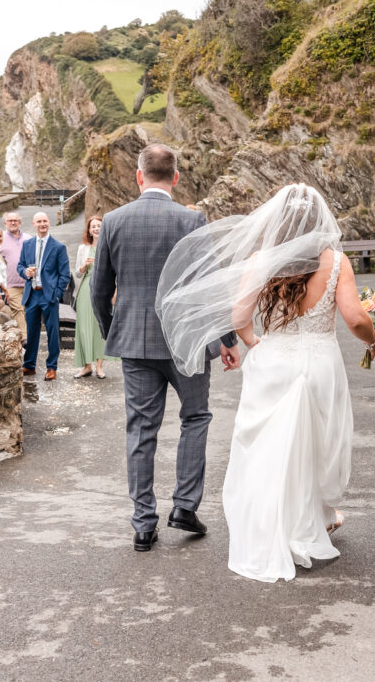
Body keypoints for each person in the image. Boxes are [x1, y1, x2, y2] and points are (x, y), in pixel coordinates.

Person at [157, 183, 375, 582]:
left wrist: (254, 342)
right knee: (314, 445)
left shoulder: (263, 260)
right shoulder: (337, 262)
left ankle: (270, 526)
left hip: (273, 360)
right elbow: (356, 318)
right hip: (318, 360)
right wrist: (373, 338)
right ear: (319, 220)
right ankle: (314, 520)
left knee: (265, 448)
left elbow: (239, 314)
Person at [91, 143, 240, 552]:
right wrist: (226, 339)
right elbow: (211, 286)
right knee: (196, 418)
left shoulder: (114, 221)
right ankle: (185, 506)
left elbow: (99, 290)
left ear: (139, 176)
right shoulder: (192, 219)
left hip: (136, 343)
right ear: (175, 177)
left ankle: (143, 524)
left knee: (141, 431)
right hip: (186, 341)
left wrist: (114, 333)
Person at [17, 212, 70, 381]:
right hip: (32, 294)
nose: (42, 224)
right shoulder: (27, 244)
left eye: (45, 221)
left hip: (49, 296)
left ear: (49, 223)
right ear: (33, 223)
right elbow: (20, 266)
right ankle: (29, 365)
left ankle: (52, 367)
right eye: (39, 221)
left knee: (53, 332)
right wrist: (25, 272)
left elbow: (65, 275)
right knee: (32, 332)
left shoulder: (58, 247)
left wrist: (56, 295)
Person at [72, 215, 109, 379]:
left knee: (100, 328)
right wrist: (84, 266)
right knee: (85, 328)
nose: (96, 229)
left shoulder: (109, 246)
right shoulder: (82, 249)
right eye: (93, 226)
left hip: (103, 290)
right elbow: (77, 275)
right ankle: (87, 366)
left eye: (99, 226)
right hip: (86, 289)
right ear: (89, 230)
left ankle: (99, 366)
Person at [0, 212, 32, 340]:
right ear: (5, 223)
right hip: (10, 284)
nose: (12, 223)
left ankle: (28, 335)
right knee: (18, 309)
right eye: (10, 221)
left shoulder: (28, 238)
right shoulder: (0, 239)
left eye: (15, 220)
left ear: (20, 222)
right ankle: (25, 338)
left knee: (29, 312)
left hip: (29, 283)